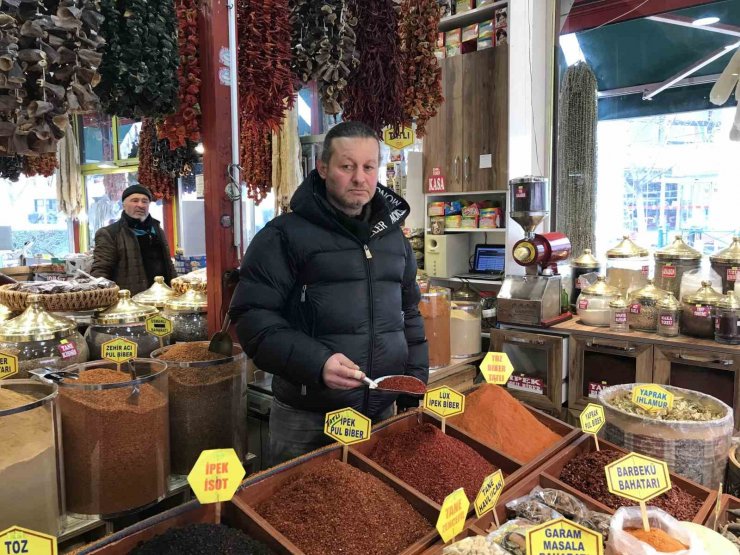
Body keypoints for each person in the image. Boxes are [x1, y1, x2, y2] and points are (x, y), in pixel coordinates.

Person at [230, 121, 429, 465]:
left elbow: (408, 312)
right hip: (307, 419)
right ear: (322, 168)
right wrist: (316, 362)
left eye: (369, 167)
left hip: (380, 413)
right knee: (293, 513)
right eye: (347, 166)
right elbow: (252, 319)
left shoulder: (393, 239)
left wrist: (413, 384)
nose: (359, 178)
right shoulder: (283, 236)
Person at [91, 184, 176, 295]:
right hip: (130, 302)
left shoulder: (157, 229)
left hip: (163, 297)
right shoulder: (110, 233)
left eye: (145, 201)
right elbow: (101, 272)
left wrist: (176, 288)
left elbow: (168, 264)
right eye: (134, 201)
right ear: (123, 205)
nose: (140, 205)